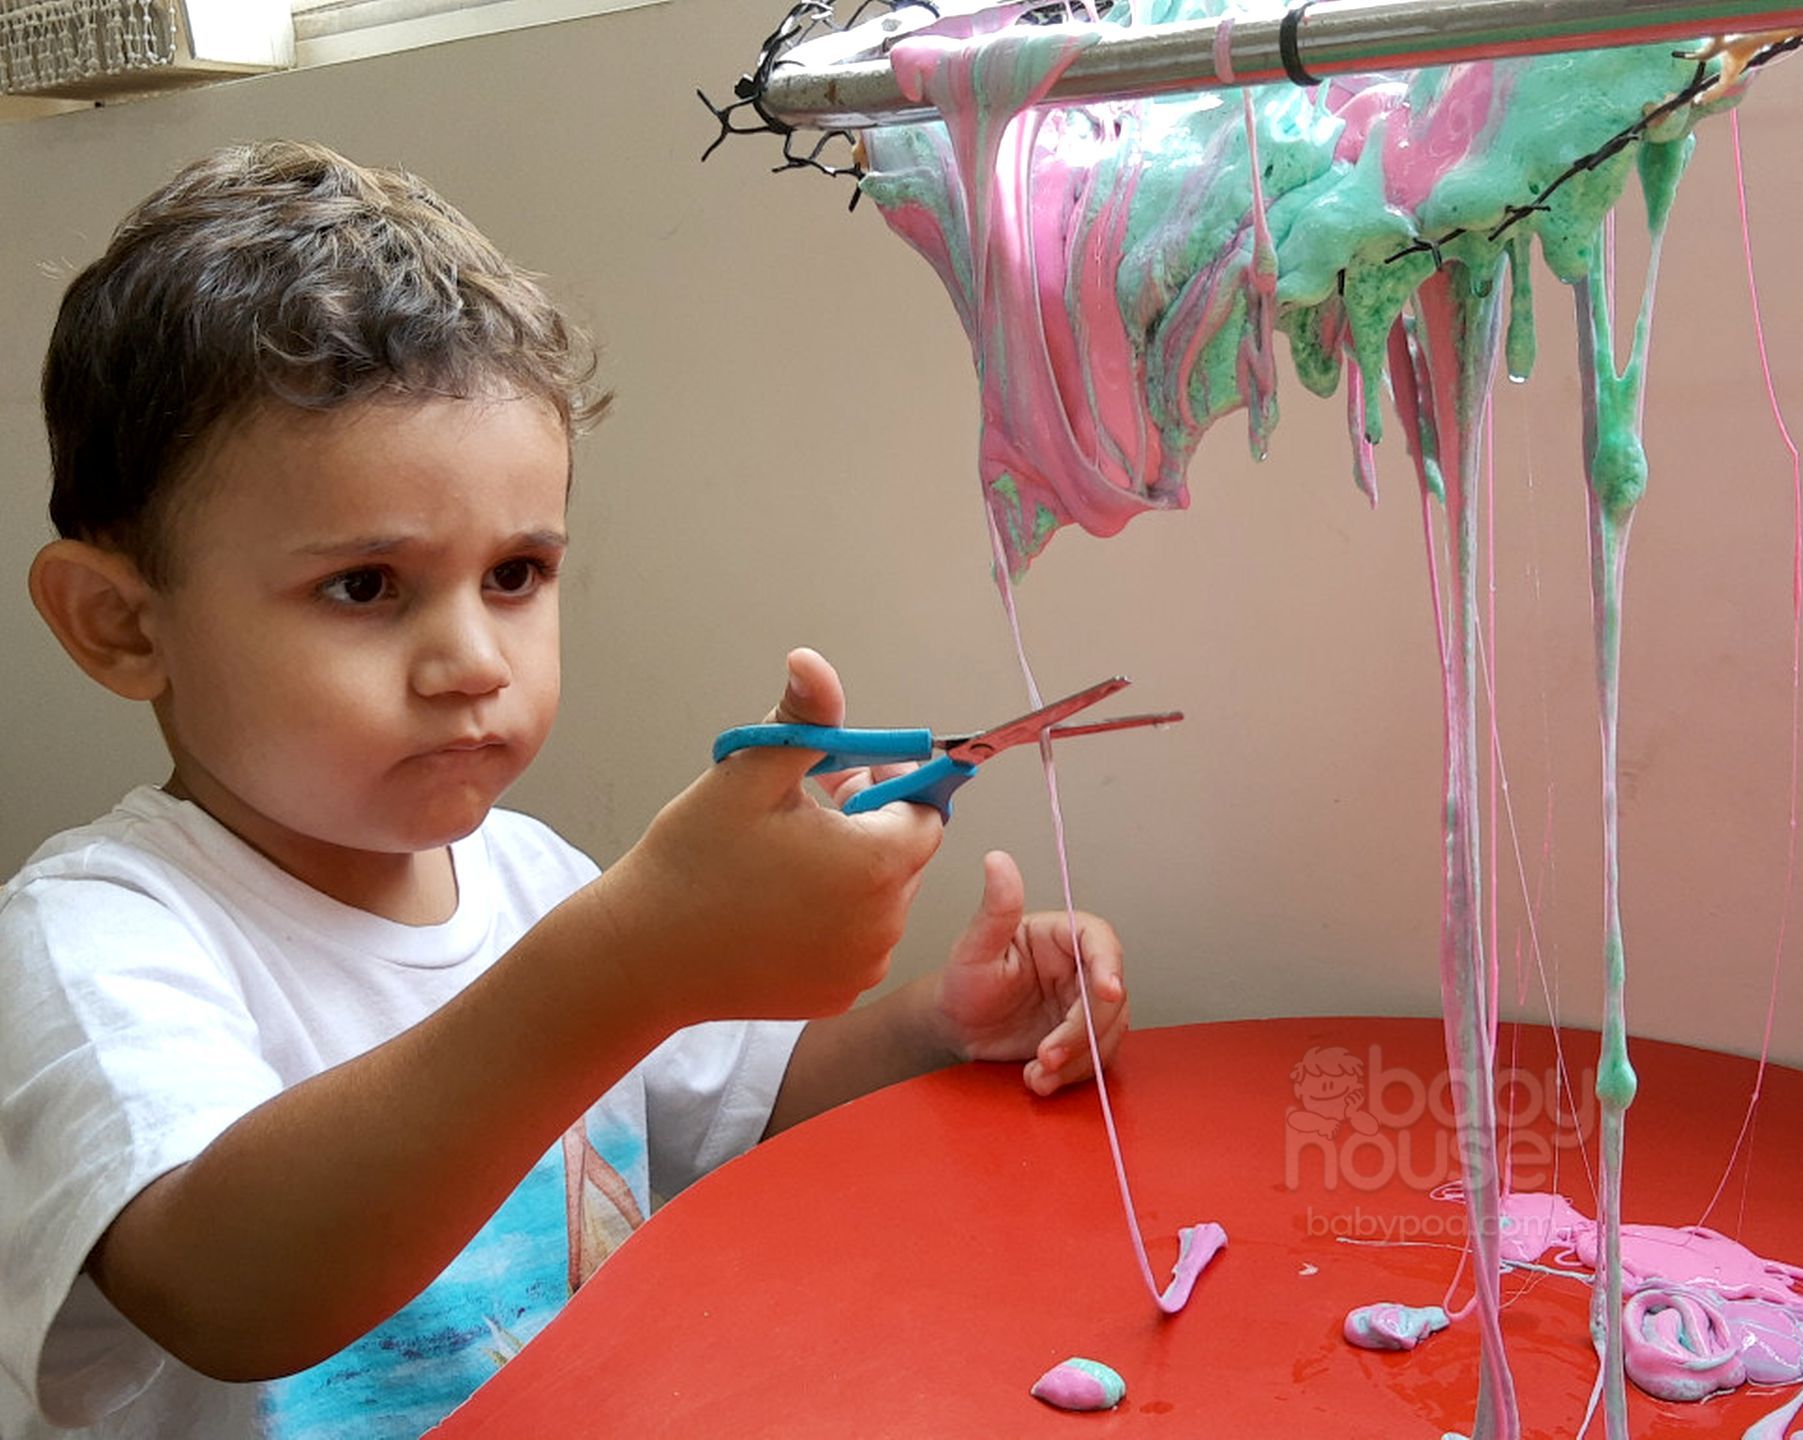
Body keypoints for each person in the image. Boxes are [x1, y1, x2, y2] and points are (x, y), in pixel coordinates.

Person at [0, 140, 1130, 1439]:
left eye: (517, 574)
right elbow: (226, 1288)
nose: (474, 661)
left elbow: (745, 1106)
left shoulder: (534, 878)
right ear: (121, 625)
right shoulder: (92, 944)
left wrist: (945, 1023)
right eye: (364, 586)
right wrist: (628, 960)